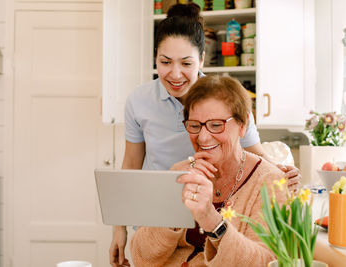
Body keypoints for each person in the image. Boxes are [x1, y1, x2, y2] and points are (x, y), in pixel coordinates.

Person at [109, 3, 301, 267]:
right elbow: (131, 165)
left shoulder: (226, 100)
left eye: (186, 63)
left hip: (216, 210)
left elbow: (254, 157)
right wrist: (118, 226)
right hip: (163, 213)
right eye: (165, 62)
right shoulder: (139, 101)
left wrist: (281, 176)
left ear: (201, 60)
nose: (175, 74)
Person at [130, 75, 288, 266]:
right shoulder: (180, 174)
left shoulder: (269, 183)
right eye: (195, 126)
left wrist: (213, 222)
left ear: (242, 125)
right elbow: (141, 256)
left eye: (216, 125)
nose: (203, 138)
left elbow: (267, 262)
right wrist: (173, 203)